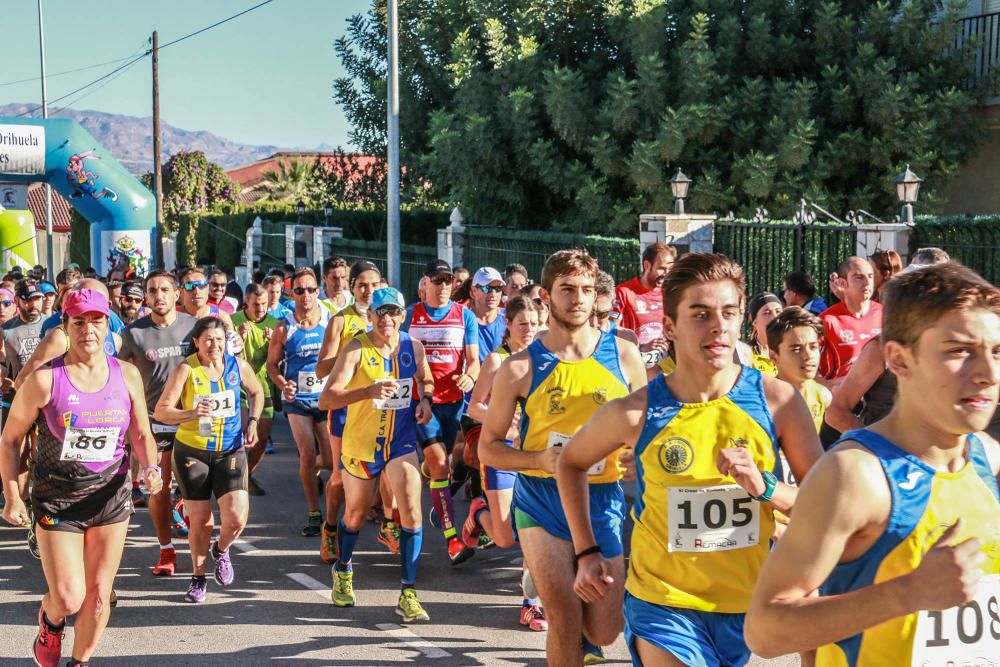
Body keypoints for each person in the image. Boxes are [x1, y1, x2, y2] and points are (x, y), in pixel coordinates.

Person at [556, 252, 823, 667]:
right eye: (700, 314)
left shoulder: (777, 401)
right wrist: (586, 551)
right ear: (669, 327)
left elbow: (826, 504)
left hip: (741, 605)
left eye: (729, 313)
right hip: (662, 603)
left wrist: (765, 487)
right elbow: (570, 462)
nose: (718, 326)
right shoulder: (636, 410)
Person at [744, 262, 1000, 665]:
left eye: (996, 351)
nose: (987, 373)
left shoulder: (987, 457)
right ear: (898, 360)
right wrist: (908, 593)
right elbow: (765, 629)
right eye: (959, 351)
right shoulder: (856, 474)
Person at [479, 249, 647, 665]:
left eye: (587, 290)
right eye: (567, 289)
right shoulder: (519, 368)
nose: (578, 299)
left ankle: (569, 588)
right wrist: (539, 459)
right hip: (542, 501)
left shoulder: (624, 356)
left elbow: (645, 430)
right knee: (565, 621)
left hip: (602, 499)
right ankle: (549, 580)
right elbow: (489, 447)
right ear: (544, 295)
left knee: (605, 629)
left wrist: (633, 454)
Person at [0, 288, 162, 667]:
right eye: (79, 322)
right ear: (66, 327)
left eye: (96, 321)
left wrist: (150, 468)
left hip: (110, 497)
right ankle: (51, 619)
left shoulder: (128, 375)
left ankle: (80, 661)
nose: (89, 329)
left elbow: (141, 433)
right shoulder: (45, 380)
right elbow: (9, 439)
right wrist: (11, 495)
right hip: (57, 498)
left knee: (100, 595)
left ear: (108, 324)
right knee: (70, 597)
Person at [319, 287, 436, 622]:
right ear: (370, 316)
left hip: (399, 443)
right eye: (380, 312)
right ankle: (343, 570)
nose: (387, 319)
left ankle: (408, 593)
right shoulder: (357, 347)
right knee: (355, 514)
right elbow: (328, 398)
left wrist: (425, 401)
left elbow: (425, 380)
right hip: (361, 445)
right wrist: (367, 391)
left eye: (394, 312)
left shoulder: (412, 347)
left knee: (412, 510)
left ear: (403, 315)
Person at [154, 317, 264, 603]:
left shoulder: (236, 365)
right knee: (201, 521)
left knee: (237, 516)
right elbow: (162, 411)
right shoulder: (186, 369)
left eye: (219, 339)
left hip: (230, 449)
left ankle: (222, 549)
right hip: (193, 451)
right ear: (196, 343)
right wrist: (192, 413)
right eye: (208, 340)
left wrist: (252, 421)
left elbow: (256, 391)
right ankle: (198, 577)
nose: (214, 345)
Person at [462, 295, 549, 631]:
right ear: (508, 326)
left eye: (533, 323)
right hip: (500, 451)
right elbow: (474, 407)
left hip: (533, 455)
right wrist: (504, 422)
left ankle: (531, 605)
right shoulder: (498, 362)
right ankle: (477, 512)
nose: (529, 330)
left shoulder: (543, 359)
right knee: (504, 538)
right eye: (522, 324)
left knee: (533, 531)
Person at [117, 269, 198, 576]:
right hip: (155, 421)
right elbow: (119, 374)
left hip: (193, 418)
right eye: (152, 290)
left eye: (165, 289)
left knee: (197, 487)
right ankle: (167, 550)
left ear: (177, 294)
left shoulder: (194, 327)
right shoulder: (134, 333)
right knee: (158, 487)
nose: (158, 295)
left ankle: (194, 532)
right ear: (146, 296)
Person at [403, 258, 480, 565]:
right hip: (421, 401)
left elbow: (473, 360)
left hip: (453, 402)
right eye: (438, 280)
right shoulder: (412, 315)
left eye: (449, 280)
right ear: (426, 283)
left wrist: (470, 376)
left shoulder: (465, 316)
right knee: (438, 464)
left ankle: (403, 495)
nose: (444, 285)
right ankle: (452, 539)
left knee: (439, 466)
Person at [314, 260, 381, 562]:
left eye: (374, 284)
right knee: (340, 476)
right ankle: (330, 529)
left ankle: (390, 524)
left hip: (379, 408)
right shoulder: (341, 320)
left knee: (388, 471)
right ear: (352, 287)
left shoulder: (389, 317)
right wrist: (351, 351)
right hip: (346, 409)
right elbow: (320, 369)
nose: (369, 290)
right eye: (362, 285)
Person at [267, 268, 333, 537]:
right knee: (306, 452)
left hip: (326, 397)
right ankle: (315, 512)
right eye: (299, 290)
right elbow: (272, 365)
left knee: (329, 460)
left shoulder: (330, 320)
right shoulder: (284, 327)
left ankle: (309, 470)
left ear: (318, 292)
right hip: (297, 400)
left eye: (310, 289)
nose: (305, 295)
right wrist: (284, 384)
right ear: (291, 294)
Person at [1, 278, 47, 557]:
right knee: (18, 453)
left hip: (46, 401)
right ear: (17, 301)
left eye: (37, 298)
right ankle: (20, 502)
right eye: (27, 299)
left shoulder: (51, 327)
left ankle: (38, 509)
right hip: (14, 400)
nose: (33, 304)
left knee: (41, 455)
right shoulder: (6, 331)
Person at [231, 283, 280, 496]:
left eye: (264, 305)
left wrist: (274, 343)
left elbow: (279, 360)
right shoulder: (233, 321)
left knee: (261, 439)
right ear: (246, 304)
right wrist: (239, 339)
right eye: (255, 305)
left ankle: (246, 475)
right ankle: (235, 480)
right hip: (239, 386)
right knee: (244, 432)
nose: (260, 309)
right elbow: (225, 355)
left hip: (264, 388)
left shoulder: (275, 324)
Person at [818, 256, 882, 386]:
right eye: (859, 277)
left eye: (870, 276)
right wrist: (832, 387)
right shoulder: (827, 320)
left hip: (881, 398)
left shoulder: (886, 314)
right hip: (842, 397)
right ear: (842, 283)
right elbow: (810, 371)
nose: (867, 282)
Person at [615, 242, 677, 368]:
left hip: (665, 365)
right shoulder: (624, 292)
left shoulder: (669, 294)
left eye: (670, 270)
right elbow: (610, 331)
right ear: (647, 265)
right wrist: (642, 347)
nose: (666, 274)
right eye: (662, 269)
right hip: (634, 365)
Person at [745, 292, 782, 376]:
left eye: (778, 311)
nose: (774, 317)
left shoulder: (790, 353)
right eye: (767, 313)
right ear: (755, 322)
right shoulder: (747, 357)